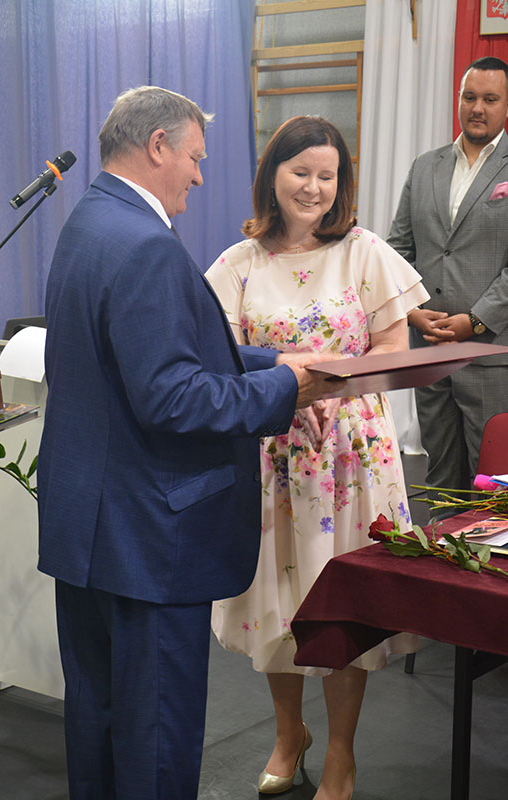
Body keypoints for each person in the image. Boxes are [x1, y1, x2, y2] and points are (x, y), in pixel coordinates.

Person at [36, 87, 333, 800]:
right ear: (158, 146)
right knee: (154, 745)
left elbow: (149, 352)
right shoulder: (147, 245)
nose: (200, 176)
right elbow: (173, 396)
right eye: (195, 157)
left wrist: (274, 362)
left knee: (99, 731)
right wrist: (286, 389)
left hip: (91, 530)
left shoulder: (89, 221)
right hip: (148, 540)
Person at [206, 115, 428, 800]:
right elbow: (220, 359)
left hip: (351, 457)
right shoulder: (237, 264)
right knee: (279, 598)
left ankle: (339, 753)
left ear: (341, 183)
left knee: (343, 600)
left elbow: (394, 349)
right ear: (272, 175)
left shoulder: (363, 252)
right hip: (274, 453)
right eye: (300, 172)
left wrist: (338, 386)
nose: (313, 187)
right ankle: (288, 732)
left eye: (326, 176)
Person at [388, 56, 508, 492]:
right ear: (458, 99)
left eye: (490, 99)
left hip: (490, 354)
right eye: (469, 97)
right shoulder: (425, 166)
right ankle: (437, 540)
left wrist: (473, 321)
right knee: (440, 479)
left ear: (506, 105)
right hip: (429, 350)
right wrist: (412, 312)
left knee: (492, 482)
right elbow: (397, 251)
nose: (477, 108)